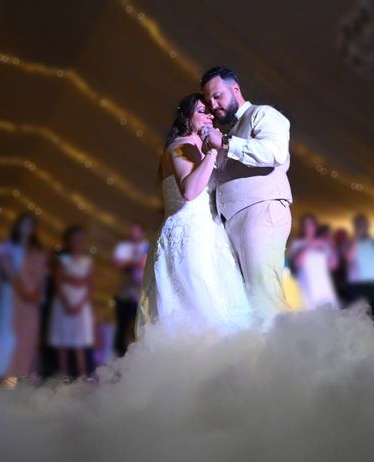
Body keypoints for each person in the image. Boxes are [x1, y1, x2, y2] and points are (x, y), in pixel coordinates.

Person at [136, 93, 252, 336]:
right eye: (202, 111)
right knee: (198, 306)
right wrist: (210, 153)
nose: (210, 115)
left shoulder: (197, 146)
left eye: (211, 111)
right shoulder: (180, 146)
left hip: (210, 234)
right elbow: (189, 191)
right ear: (186, 117)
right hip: (188, 236)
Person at [201, 66, 293, 324]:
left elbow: (274, 153)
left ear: (235, 89)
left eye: (217, 96)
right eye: (208, 100)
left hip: (261, 211)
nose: (213, 104)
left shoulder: (262, 114)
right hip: (234, 220)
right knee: (249, 301)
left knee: (265, 295)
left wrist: (227, 144)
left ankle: (292, 359)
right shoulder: (227, 132)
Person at [0, 213, 45, 386]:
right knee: (6, 337)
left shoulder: (36, 253)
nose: (26, 229)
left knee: (26, 339)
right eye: (23, 224)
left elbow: (39, 280)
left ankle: (19, 379)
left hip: (29, 303)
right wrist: (21, 289)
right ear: (17, 226)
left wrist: (33, 294)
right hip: (9, 298)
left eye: (30, 225)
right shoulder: (6, 249)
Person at [48, 226, 95, 380]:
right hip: (64, 304)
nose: (78, 242)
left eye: (81, 239)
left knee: (79, 341)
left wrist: (80, 304)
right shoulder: (62, 259)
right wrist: (67, 302)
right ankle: (64, 376)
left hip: (81, 305)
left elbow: (90, 284)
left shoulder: (87, 260)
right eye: (75, 239)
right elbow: (58, 281)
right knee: (63, 339)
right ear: (68, 240)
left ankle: (81, 376)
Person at [113, 223, 149, 356]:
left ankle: (137, 356)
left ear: (142, 232)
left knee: (138, 327)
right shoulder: (123, 247)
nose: (133, 233)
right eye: (132, 230)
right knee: (121, 327)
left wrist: (131, 262)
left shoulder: (146, 247)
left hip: (139, 294)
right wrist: (134, 262)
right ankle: (119, 356)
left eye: (137, 231)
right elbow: (118, 264)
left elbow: (144, 265)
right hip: (123, 293)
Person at [290, 214, 339, 309]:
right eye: (305, 225)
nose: (308, 227)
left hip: (323, 285)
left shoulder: (323, 244)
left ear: (315, 226)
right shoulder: (297, 244)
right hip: (306, 286)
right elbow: (297, 263)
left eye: (310, 224)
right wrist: (311, 244)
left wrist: (331, 247)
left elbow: (333, 265)